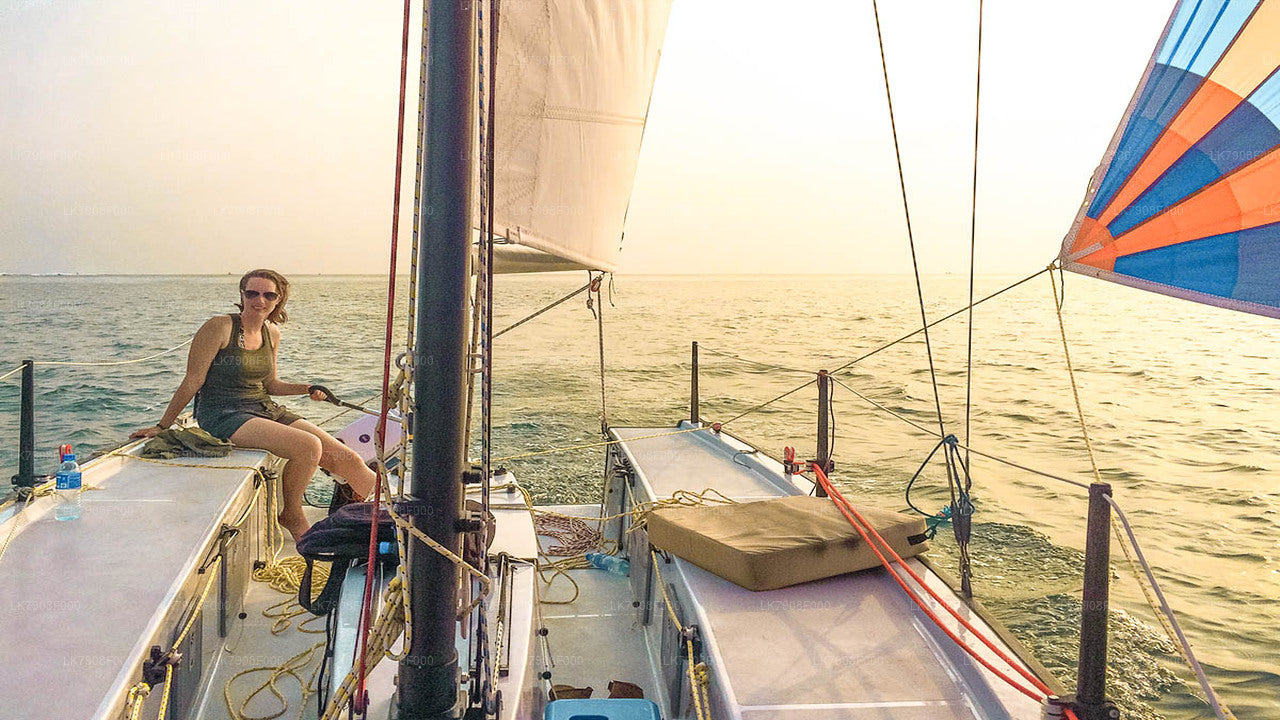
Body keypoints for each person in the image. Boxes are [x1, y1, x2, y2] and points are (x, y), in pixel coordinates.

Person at [131, 269, 376, 542]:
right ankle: (292, 514)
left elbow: (271, 384)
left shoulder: (272, 332)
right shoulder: (220, 326)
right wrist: (163, 426)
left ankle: (383, 527)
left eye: (269, 295)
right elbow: (193, 380)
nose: (260, 300)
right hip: (223, 413)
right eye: (253, 293)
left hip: (263, 406)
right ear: (242, 295)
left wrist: (306, 389)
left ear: (278, 300)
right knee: (308, 447)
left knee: (352, 460)